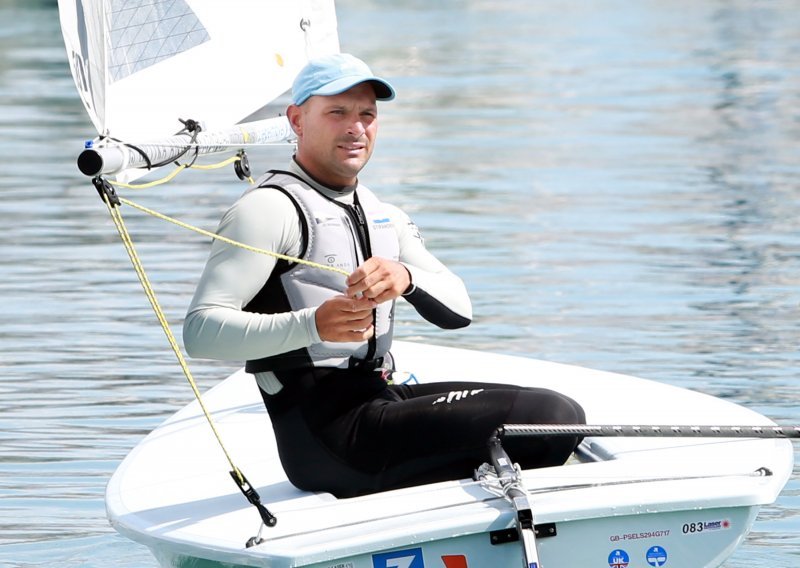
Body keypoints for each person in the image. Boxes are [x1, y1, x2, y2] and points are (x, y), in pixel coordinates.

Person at [183, 53, 585, 498]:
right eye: (337, 113)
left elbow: (460, 310)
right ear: (297, 120)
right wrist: (312, 325)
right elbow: (201, 332)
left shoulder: (383, 215)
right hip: (330, 441)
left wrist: (406, 276)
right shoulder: (267, 209)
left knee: (552, 414)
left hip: (379, 400)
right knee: (553, 416)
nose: (356, 128)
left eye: (367, 115)